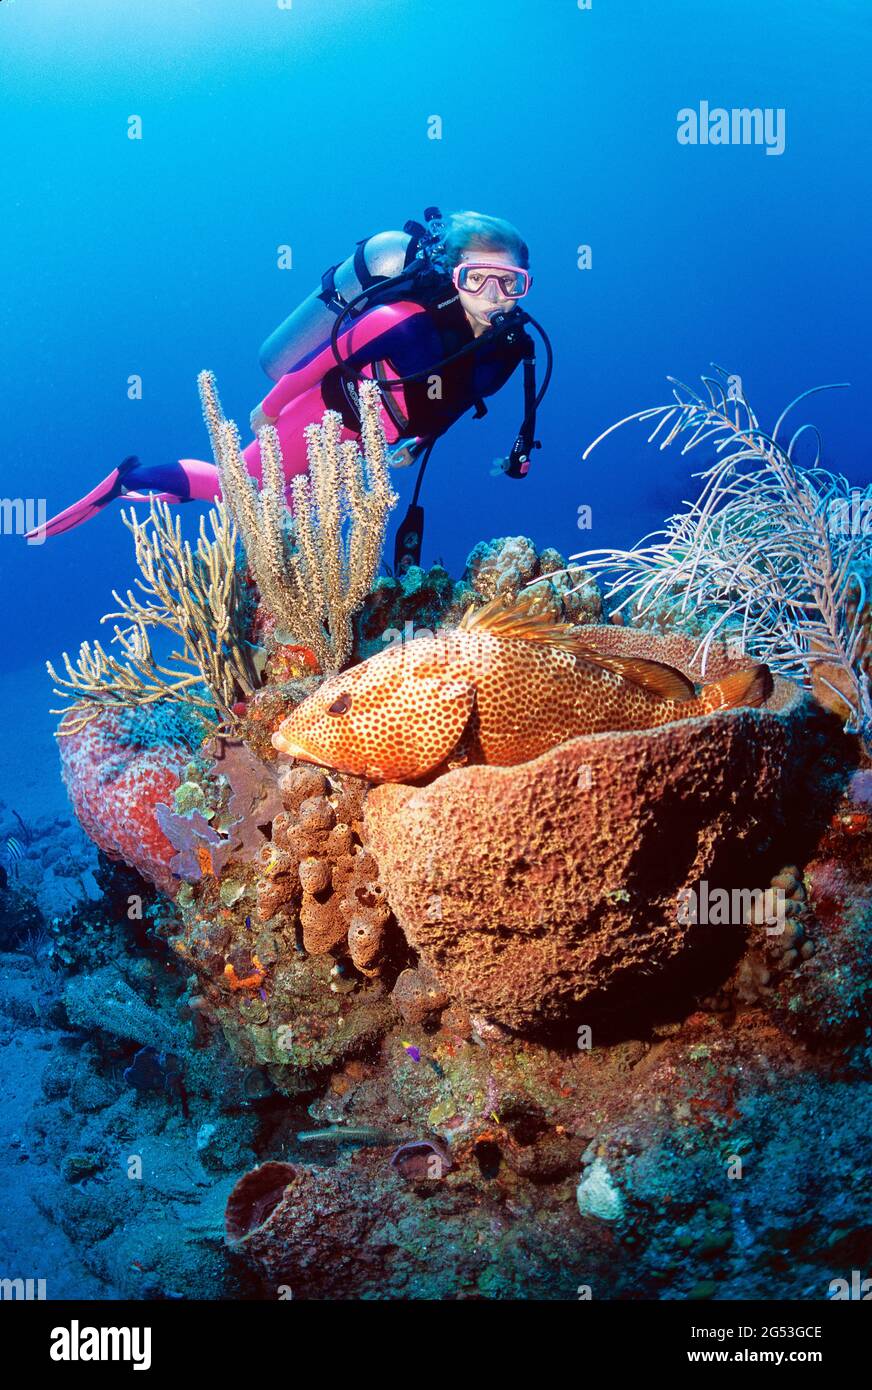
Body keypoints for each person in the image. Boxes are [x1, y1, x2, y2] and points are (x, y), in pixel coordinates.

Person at [33, 210, 548, 548]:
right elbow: (321, 360)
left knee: (293, 521)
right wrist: (272, 407)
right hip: (319, 413)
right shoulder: (402, 321)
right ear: (453, 276)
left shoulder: (507, 353)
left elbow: (457, 400)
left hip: (367, 446)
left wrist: (418, 442)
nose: (495, 294)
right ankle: (128, 479)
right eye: (476, 278)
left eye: (511, 282)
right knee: (238, 488)